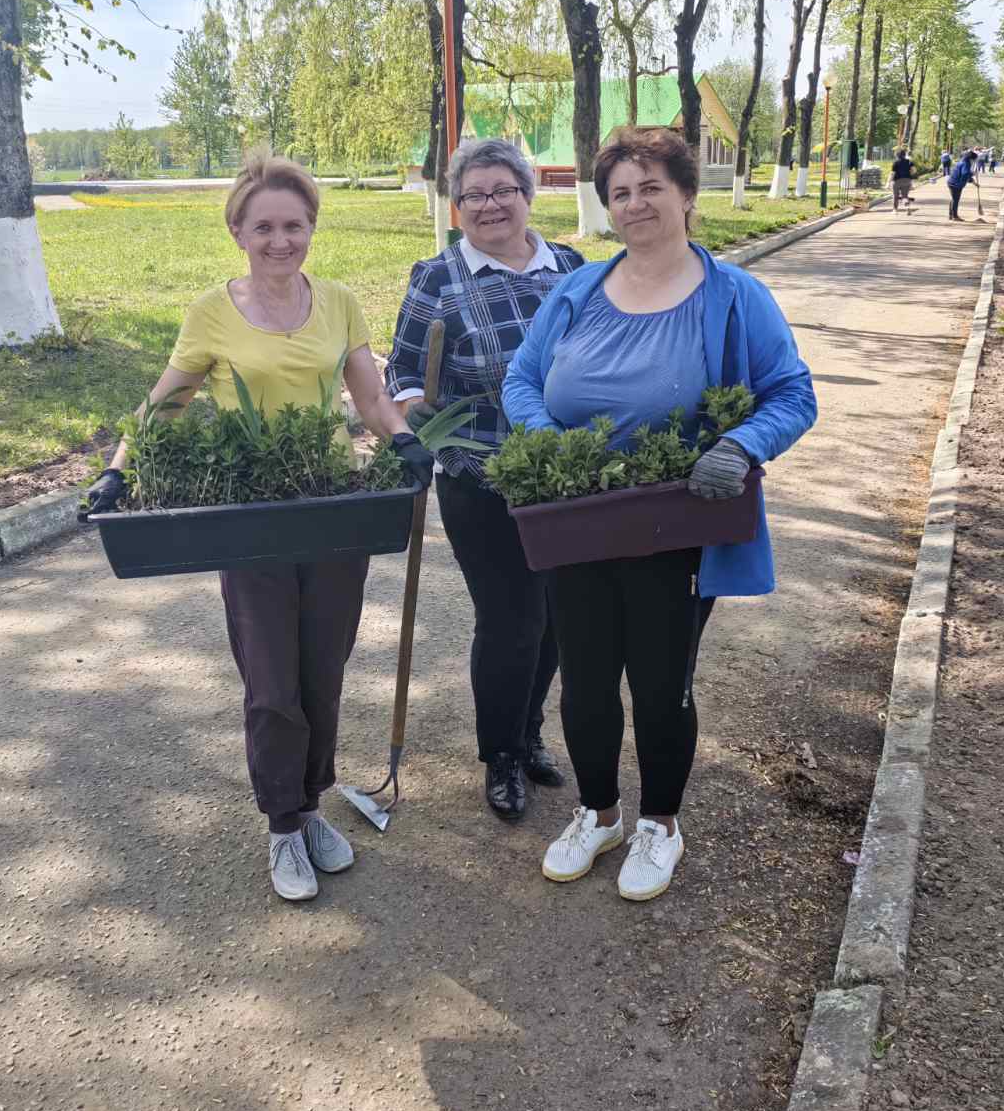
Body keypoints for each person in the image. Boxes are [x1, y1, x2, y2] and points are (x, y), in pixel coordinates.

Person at [84, 157, 431, 903]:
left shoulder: (338, 302)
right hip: (251, 520)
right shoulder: (213, 311)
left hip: (330, 509)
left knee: (323, 671)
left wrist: (404, 441)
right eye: (264, 226)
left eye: (294, 226)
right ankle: (281, 823)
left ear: (312, 229)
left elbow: (371, 398)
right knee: (272, 680)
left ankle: (310, 805)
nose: (281, 241)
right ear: (238, 231)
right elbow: (165, 402)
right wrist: (118, 470)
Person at [503, 126, 816, 902]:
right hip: (577, 518)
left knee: (659, 681)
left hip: (677, 525)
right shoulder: (576, 293)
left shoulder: (733, 296)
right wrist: (551, 444)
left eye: (650, 188)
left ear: (685, 195)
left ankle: (660, 825)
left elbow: (792, 393)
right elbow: (521, 380)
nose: (635, 204)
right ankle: (599, 813)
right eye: (620, 192)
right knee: (583, 680)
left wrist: (741, 445)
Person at [386, 139, 585, 820]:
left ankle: (529, 733)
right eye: (473, 195)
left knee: (557, 617)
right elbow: (403, 371)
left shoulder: (571, 268)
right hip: (481, 475)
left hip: (567, 477)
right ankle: (500, 754)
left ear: (528, 195)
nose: (489, 205)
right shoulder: (437, 277)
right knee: (511, 621)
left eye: (503, 190)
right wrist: (415, 418)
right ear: (456, 206)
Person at [947, 148, 976, 221]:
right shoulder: (966, 163)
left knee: (954, 199)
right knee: (955, 200)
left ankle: (951, 215)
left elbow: (966, 175)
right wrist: (972, 174)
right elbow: (965, 174)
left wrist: (974, 182)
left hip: (952, 182)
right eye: (974, 160)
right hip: (956, 184)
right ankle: (955, 216)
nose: (974, 161)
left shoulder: (962, 161)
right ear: (971, 159)